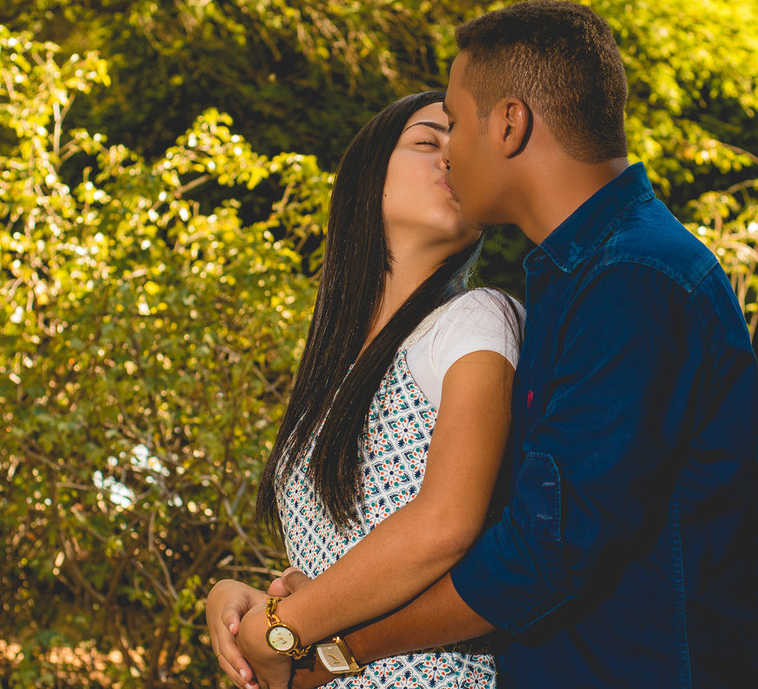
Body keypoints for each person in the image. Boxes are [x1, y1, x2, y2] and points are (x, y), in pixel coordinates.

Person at [210, 0, 758, 688]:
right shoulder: (575, 279)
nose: (448, 148)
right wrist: (281, 602)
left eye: (452, 121)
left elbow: (541, 550)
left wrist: (330, 644)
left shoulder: (633, 276)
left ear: (508, 123)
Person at [205, 90, 523, 689]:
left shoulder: (477, 318)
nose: (451, 159)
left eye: (462, 147)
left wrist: (281, 627)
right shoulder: (334, 372)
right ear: (364, 180)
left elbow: (444, 525)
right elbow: (339, 559)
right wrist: (246, 597)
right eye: (428, 142)